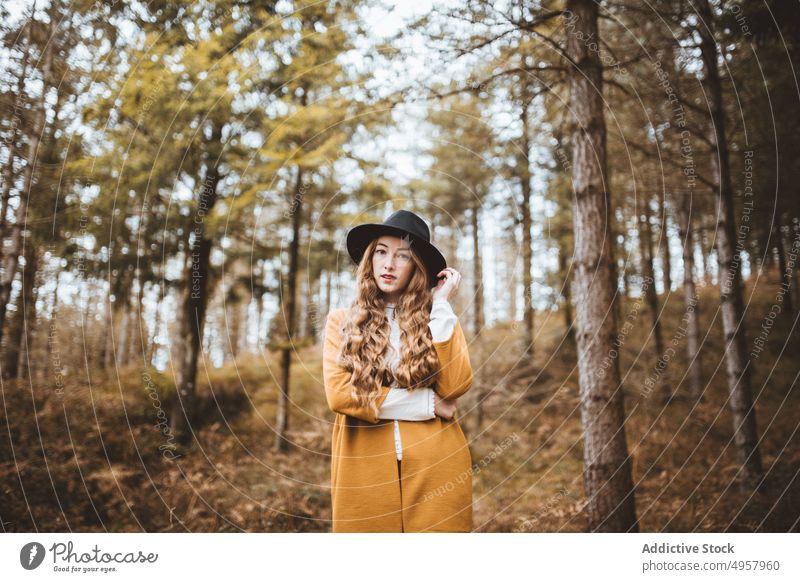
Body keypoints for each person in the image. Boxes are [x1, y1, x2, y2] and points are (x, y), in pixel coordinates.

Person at [322, 209, 474, 533]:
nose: (389, 264)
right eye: (381, 252)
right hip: (363, 472)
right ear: (370, 259)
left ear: (416, 267)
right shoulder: (341, 322)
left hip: (438, 470)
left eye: (402, 256)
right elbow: (341, 396)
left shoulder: (437, 319)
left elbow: (457, 386)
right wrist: (427, 405)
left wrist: (442, 305)